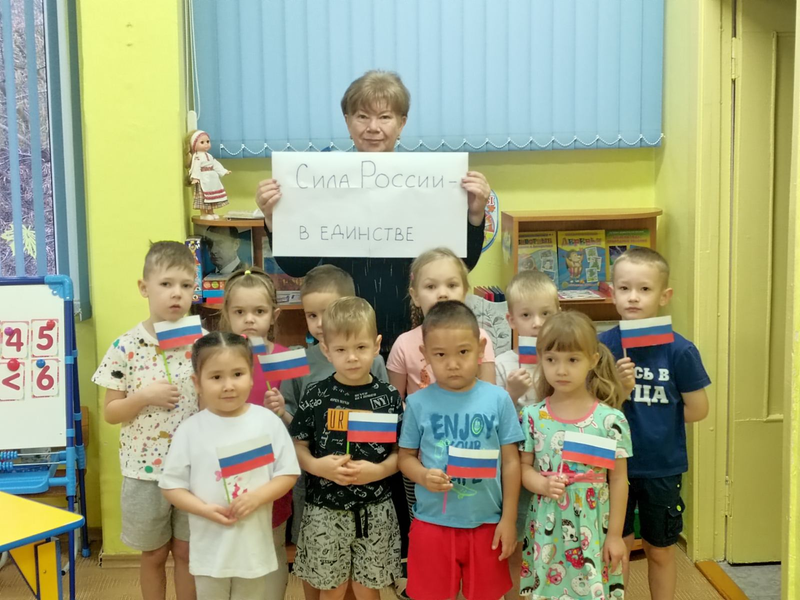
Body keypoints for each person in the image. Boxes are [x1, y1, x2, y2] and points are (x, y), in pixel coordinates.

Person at [255, 70, 490, 357]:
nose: (373, 127)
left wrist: (474, 215)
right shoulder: (318, 181)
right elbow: (296, 265)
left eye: (385, 117)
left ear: (402, 123)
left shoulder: (430, 183)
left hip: (411, 335)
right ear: (348, 122)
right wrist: (273, 219)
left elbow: (460, 264)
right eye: (362, 116)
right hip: (343, 341)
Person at [598, 247, 710, 600]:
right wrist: (619, 390)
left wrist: (660, 419)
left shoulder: (680, 351)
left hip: (662, 467)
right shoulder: (601, 347)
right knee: (616, 546)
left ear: (664, 296)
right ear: (611, 292)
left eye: (644, 289)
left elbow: (698, 409)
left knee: (659, 549)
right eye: (624, 288)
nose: (633, 297)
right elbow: (589, 410)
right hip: (611, 466)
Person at [92, 241, 200, 600]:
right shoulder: (124, 347)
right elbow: (111, 413)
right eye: (166, 284)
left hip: (192, 470)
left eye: (186, 285)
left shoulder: (202, 344)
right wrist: (143, 397)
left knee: (187, 552)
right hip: (144, 473)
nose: (177, 293)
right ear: (144, 288)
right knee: (153, 554)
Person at [279, 264, 392, 600]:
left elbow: (390, 432)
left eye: (327, 312)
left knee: (362, 575)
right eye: (311, 315)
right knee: (318, 564)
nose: (320, 323)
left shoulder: (376, 367)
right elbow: (295, 428)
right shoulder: (301, 364)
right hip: (317, 488)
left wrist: (376, 469)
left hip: (369, 491)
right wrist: (316, 464)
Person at [160, 332, 300, 600]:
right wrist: (203, 509)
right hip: (210, 550)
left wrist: (257, 498)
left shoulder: (267, 422)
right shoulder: (190, 430)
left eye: (237, 374)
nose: (228, 386)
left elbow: (288, 473)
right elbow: (171, 486)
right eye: (216, 377)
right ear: (197, 383)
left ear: (251, 375)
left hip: (253, 549)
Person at [398, 300, 523, 600]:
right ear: (425, 354)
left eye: (463, 352)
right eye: (440, 354)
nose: (452, 364)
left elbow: (511, 463)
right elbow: (405, 458)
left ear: (480, 349)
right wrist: (423, 476)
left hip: (486, 522)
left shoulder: (498, 400)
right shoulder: (417, 403)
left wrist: (508, 519)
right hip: (433, 523)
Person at [519, 311, 631, 599]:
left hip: (595, 526)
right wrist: (542, 484)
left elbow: (619, 480)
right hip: (548, 526)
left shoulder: (611, 420)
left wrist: (615, 535)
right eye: (551, 359)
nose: (561, 370)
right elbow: (524, 468)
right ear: (540, 359)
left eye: (572, 360)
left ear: (592, 360)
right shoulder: (532, 416)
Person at [218, 267, 294, 599]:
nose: (249, 319)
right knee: (230, 542)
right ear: (227, 313)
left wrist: (283, 412)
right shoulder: (216, 356)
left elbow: (300, 422)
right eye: (240, 312)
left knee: (272, 541)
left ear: (274, 315)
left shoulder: (285, 358)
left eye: (259, 311)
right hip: (224, 471)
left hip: (270, 472)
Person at [493, 270, 560, 599]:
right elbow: (491, 420)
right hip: (517, 467)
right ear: (511, 320)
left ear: (558, 313)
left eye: (546, 313)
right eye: (526, 315)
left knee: (555, 537)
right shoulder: (504, 364)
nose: (537, 323)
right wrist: (511, 394)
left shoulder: (561, 362)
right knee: (516, 538)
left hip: (555, 466)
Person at [388, 247, 497, 398]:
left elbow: (490, 396)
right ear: (415, 296)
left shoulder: (479, 338)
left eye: (451, 285)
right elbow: (395, 402)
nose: (442, 294)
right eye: (431, 286)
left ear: (465, 291)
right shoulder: (404, 345)